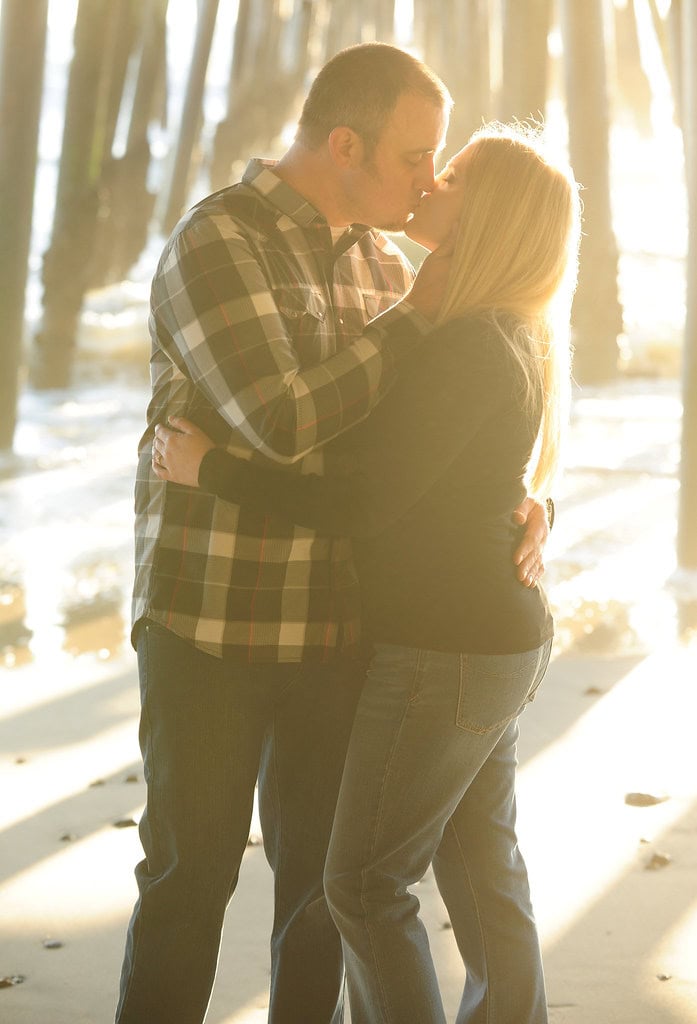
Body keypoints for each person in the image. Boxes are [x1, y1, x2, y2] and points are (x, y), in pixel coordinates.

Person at [119, 41, 550, 1024]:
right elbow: (281, 421)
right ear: (345, 144)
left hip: (337, 631)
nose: (428, 180)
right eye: (414, 155)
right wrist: (409, 321)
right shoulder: (216, 241)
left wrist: (524, 504)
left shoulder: (386, 264)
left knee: (318, 897)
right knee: (189, 878)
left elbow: (443, 437)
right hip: (211, 623)